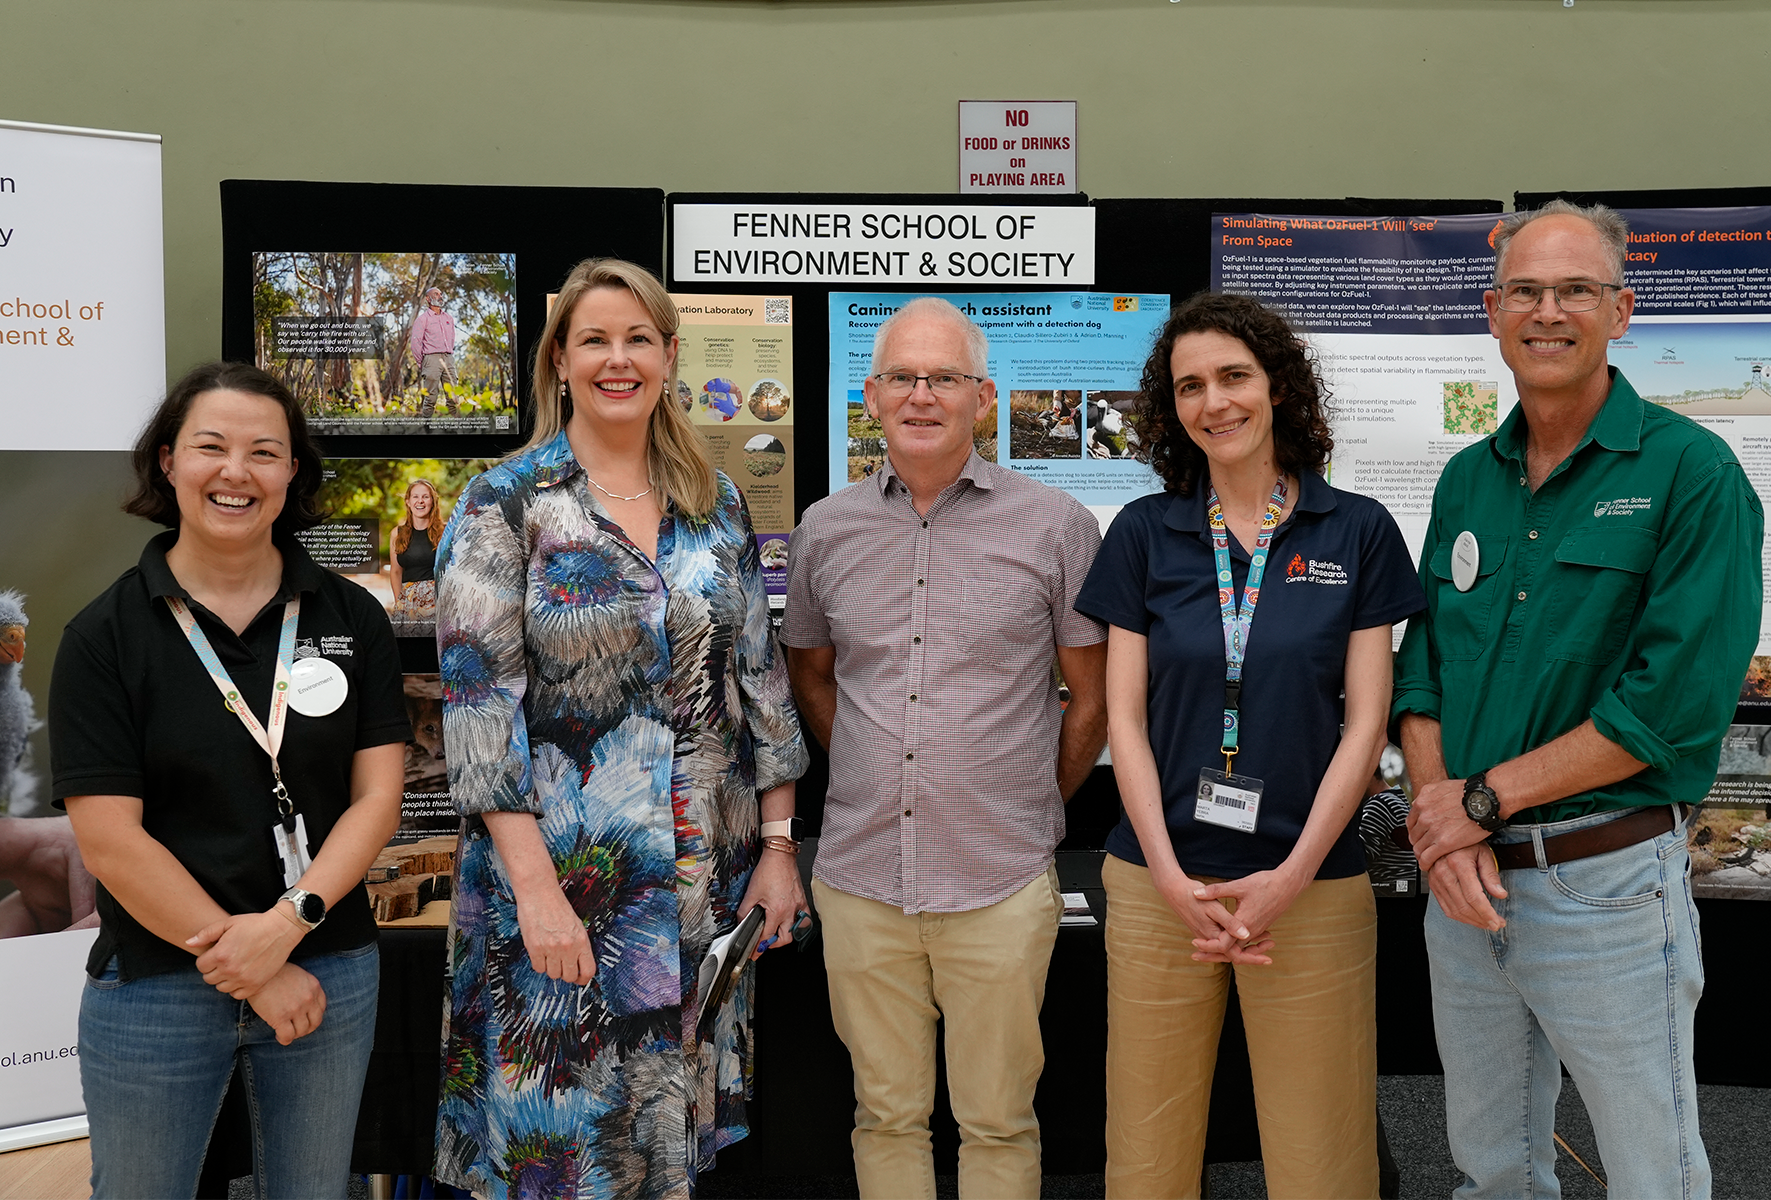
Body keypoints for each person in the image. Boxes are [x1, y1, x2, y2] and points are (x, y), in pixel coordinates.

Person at [1396, 200, 1762, 1199]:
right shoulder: (1468, 483)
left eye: (1575, 291)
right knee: (1491, 1167)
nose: (1546, 311)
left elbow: (1669, 708)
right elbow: (1421, 669)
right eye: (1525, 290)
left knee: (1654, 1173)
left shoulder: (1694, 476)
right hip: (1466, 891)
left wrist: (1475, 803)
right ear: (1492, 308)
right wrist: (1447, 824)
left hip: (1600, 886)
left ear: (1622, 310)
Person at [432, 258, 810, 1200]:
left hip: (696, 896)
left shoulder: (714, 505)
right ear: (559, 361)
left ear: (671, 356)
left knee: (669, 1147)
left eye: (639, 338)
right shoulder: (503, 504)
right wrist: (536, 895)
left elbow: (760, 685)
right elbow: (480, 713)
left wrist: (777, 846)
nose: (618, 359)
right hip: (560, 893)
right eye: (594, 339)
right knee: (562, 1150)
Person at [1072, 292, 1423, 1199]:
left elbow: (1366, 726)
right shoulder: (1146, 534)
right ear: (1171, 408)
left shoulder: (1357, 531)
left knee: (1323, 1160)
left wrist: (1293, 874)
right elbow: (1125, 724)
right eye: (1191, 385)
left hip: (1311, 886)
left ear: (1278, 387)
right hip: (1161, 887)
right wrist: (1170, 876)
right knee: (1147, 1162)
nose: (1214, 402)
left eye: (1234, 376)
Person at [50, 361, 409, 1200]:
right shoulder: (104, 636)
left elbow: (378, 798)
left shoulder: (351, 616)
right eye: (211, 447)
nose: (236, 472)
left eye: (264, 452)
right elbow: (109, 839)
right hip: (158, 982)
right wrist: (248, 959)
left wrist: (289, 926)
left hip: (327, 967)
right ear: (168, 461)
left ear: (293, 473)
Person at [781, 296, 1109, 1200]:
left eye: (945, 377)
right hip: (861, 878)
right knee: (883, 1116)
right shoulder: (824, 530)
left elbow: (1095, 692)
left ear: (984, 397)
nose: (922, 394)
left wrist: (1033, 801)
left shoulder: (1057, 527)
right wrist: (871, 768)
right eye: (902, 377)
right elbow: (810, 673)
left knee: (999, 1121)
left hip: (999, 878)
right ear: (871, 395)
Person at [387, 477, 442, 631]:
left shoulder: (444, 532)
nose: (420, 501)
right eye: (415, 497)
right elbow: (396, 571)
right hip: (407, 603)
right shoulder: (397, 533)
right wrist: (400, 603)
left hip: (436, 603)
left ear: (433, 501)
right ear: (408, 501)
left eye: (425, 497)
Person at [408, 286, 456, 415]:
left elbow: (451, 339)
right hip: (431, 359)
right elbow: (415, 343)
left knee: (453, 397)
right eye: (436, 294)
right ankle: (426, 428)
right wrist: (422, 363)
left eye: (440, 294)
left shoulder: (449, 318)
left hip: (449, 358)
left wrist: (449, 353)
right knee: (430, 398)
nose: (440, 296)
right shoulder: (422, 319)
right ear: (428, 299)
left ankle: (456, 428)